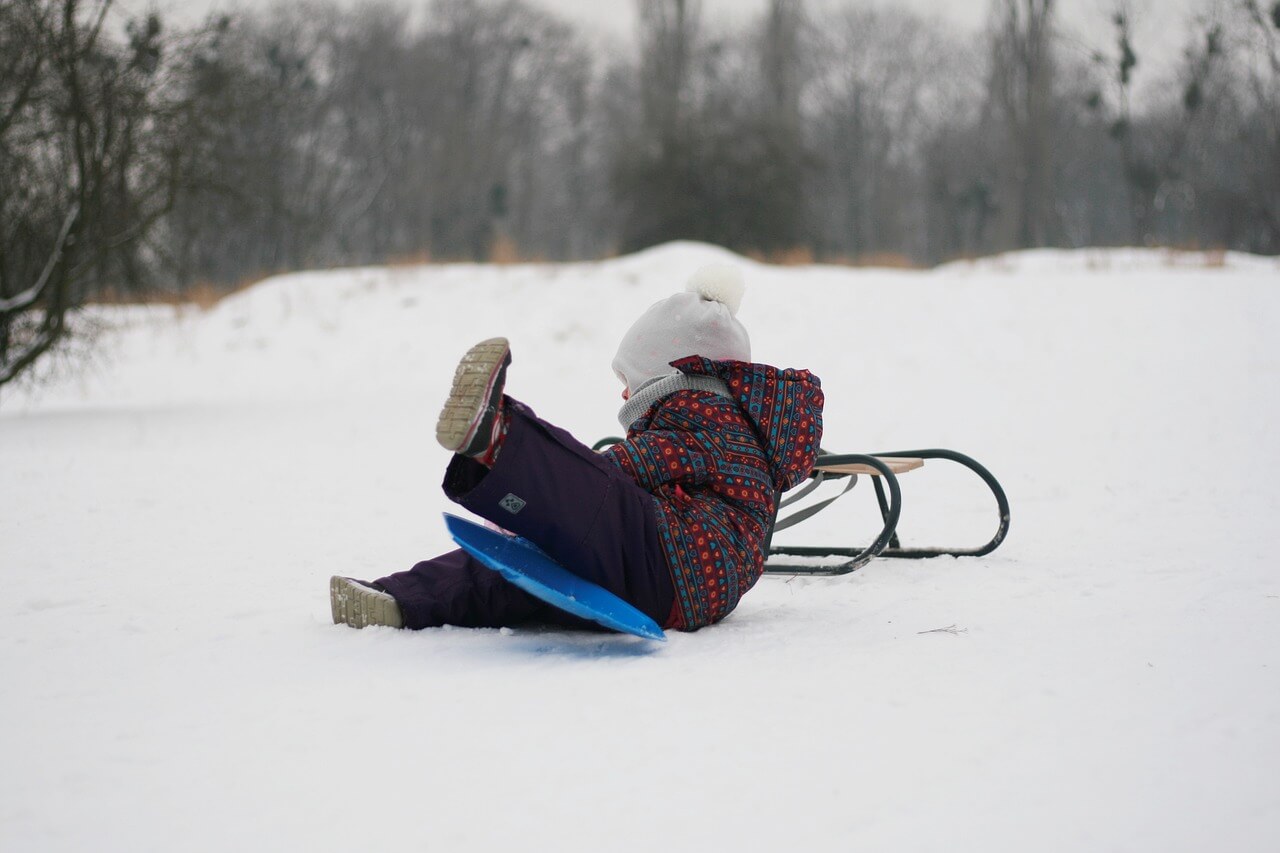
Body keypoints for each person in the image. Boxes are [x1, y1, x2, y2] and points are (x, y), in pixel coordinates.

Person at [329, 265, 824, 633]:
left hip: (674, 560)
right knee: (515, 571)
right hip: (676, 586)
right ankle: (396, 601)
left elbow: (628, 469)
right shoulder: (725, 425)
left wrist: (552, 497)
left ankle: (495, 438)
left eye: (628, 380)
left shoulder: (708, 420)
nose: (624, 395)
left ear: (667, 377)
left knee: (592, 492)